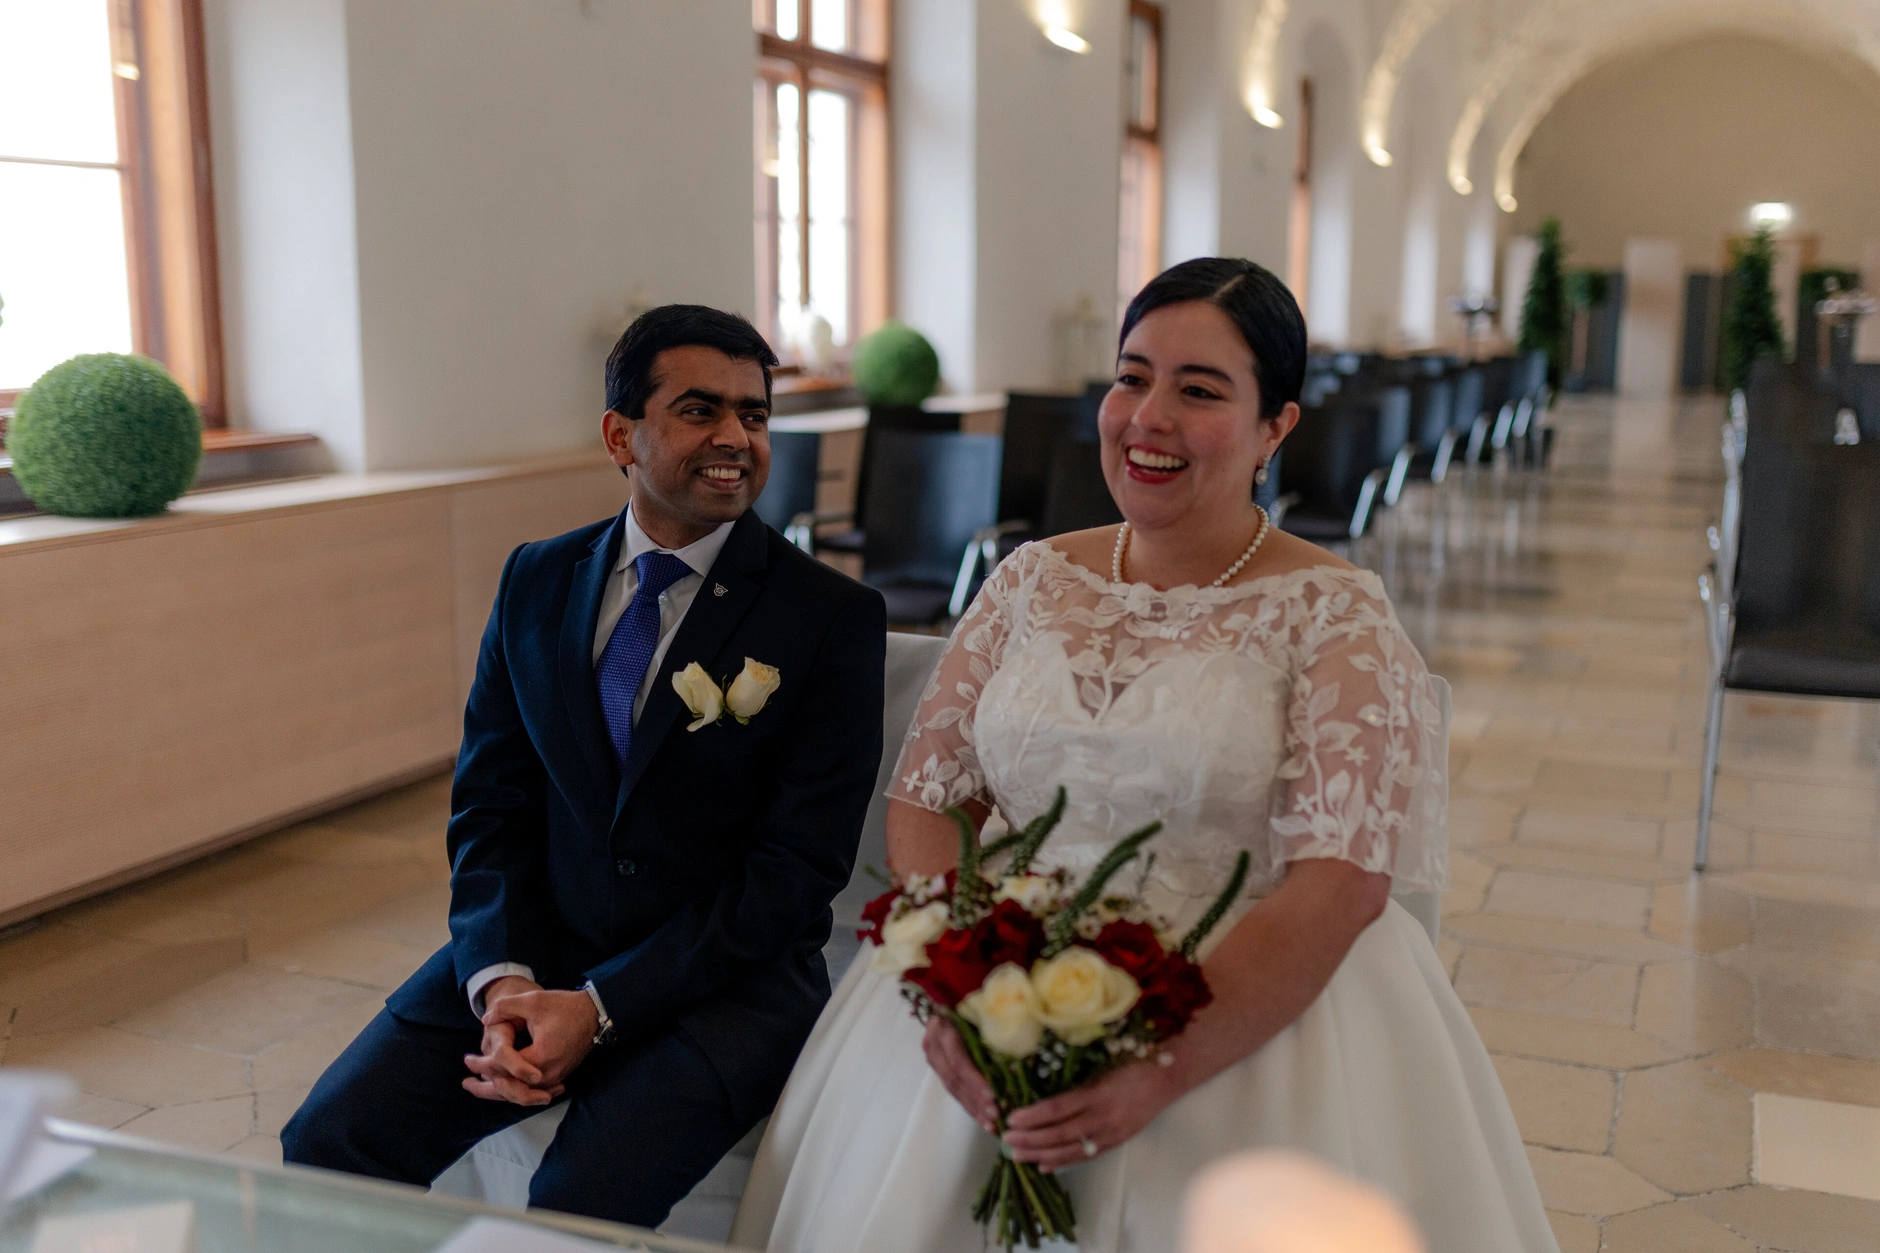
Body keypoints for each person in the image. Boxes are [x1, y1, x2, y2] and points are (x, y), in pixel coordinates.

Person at [732, 260, 1558, 1253]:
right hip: (992, 967)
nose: (1147, 416)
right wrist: (957, 983)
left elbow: (1335, 884)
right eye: (1132, 377)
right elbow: (929, 800)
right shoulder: (1026, 579)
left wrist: (1159, 1069)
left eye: (1198, 389)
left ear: (1275, 426)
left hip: (1245, 1010)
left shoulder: (1335, 613)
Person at [283, 305, 887, 1229]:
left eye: (754, 416)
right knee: (330, 1139)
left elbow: (795, 873)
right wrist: (504, 979)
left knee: (577, 1204)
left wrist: (601, 1006)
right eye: (699, 410)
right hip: (542, 945)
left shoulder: (829, 617)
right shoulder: (536, 577)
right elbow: (490, 804)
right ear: (620, 434)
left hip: (724, 984)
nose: (735, 438)